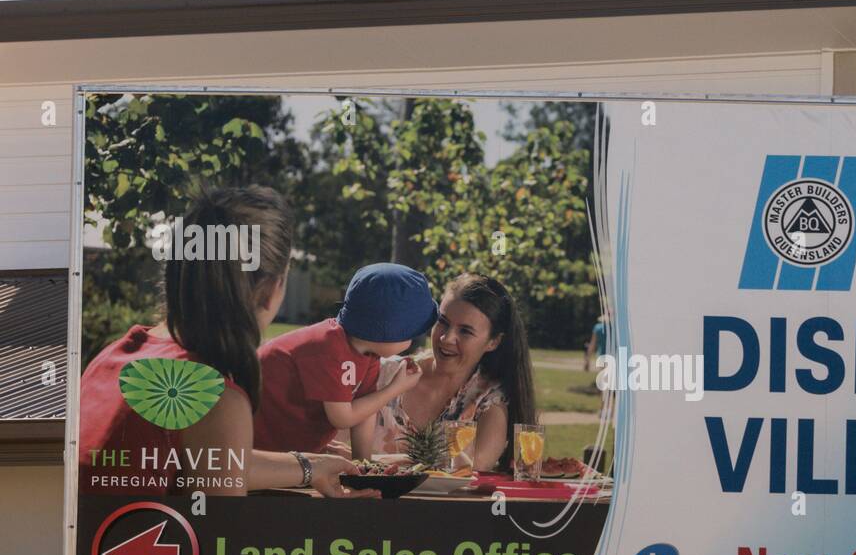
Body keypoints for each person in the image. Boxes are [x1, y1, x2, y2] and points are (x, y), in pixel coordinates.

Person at [79, 185, 375, 498]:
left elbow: (203, 461)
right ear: (271, 288)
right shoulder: (211, 398)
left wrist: (308, 466)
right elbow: (224, 542)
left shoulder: (118, 355)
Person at [253, 262, 434, 459]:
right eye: (411, 334)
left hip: (289, 449)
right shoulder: (328, 348)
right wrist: (394, 389)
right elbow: (343, 418)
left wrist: (363, 465)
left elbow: (365, 410)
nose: (412, 341)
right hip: (255, 448)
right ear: (388, 331)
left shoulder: (367, 354)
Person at [369, 273, 537, 471]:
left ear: (493, 342)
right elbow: (331, 446)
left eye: (465, 331)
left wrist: (373, 460)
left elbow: (475, 465)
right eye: (443, 322)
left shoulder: (489, 400)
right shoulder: (384, 374)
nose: (446, 339)